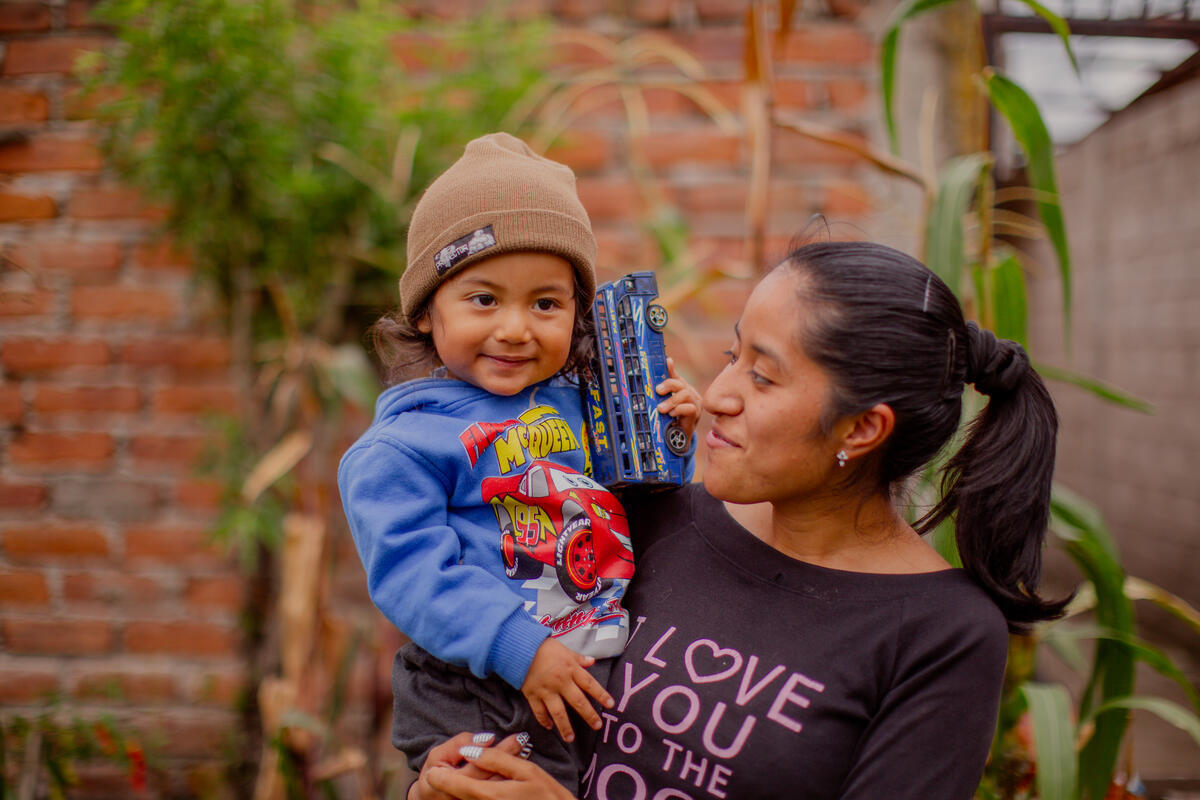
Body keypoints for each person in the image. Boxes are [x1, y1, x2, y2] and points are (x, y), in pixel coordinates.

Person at [412, 240, 1068, 800]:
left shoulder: (941, 636)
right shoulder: (650, 520)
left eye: (764, 377)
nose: (720, 395)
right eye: (733, 356)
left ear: (863, 427)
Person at [337, 133, 700, 793]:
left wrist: (670, 431)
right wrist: (519, 650)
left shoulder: (583, 409)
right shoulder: (406, 446)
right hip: (481, 682)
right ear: (425, 311)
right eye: (484, 300)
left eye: (545, 303)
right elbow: (416, 576)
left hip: (580, 668)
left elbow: (641, 505)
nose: (515, 328)